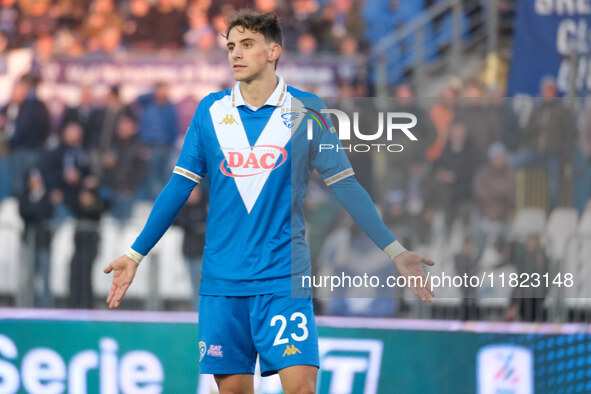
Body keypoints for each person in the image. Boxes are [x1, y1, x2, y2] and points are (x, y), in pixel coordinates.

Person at [104, 10, 435, 394]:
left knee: (301, 389)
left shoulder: (308, 109)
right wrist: (134, 254)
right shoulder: (210, 111)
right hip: (223, 281)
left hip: (282, 277)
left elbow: (346, 185)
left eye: (247, 45)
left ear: (274, 50)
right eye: (230, 46)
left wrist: (395, 250)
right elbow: (177, 189)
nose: (235, 55)